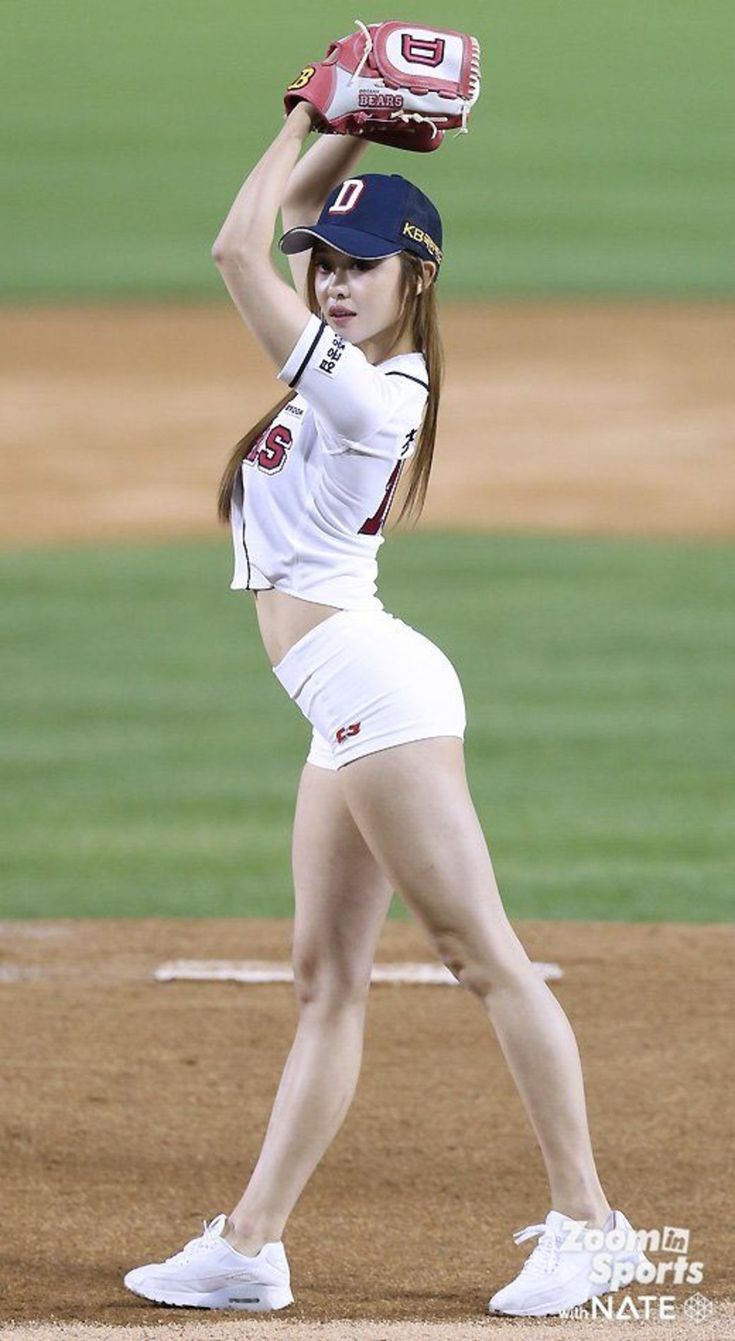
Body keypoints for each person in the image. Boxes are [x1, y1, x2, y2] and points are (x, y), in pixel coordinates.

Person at [123, 103, 647, 1317]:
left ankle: (591, 1221)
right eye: (328, 263)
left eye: (362, 267)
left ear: (417, 279)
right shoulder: (337, 355)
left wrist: (305, 111)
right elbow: (280, 237)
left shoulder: (375, 396)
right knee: (327, 981)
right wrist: (349, 136)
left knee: (480, 955)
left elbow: (229, 250)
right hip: (341, 699)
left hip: (380, 691)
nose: (335, 281)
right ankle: (250, 1247)